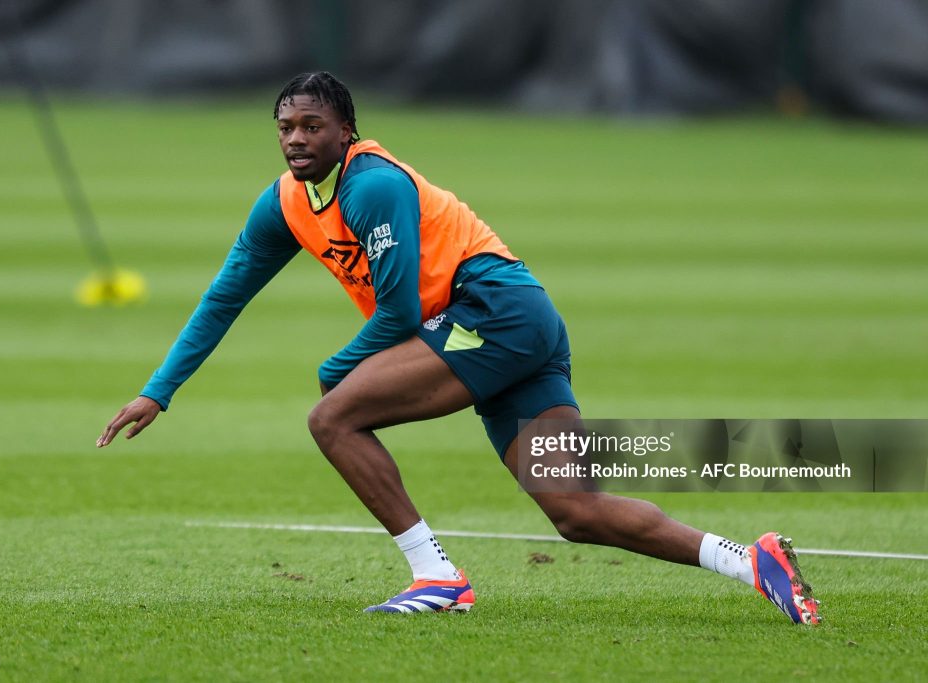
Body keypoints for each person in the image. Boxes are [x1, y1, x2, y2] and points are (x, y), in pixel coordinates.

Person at [96, 72, 820, 623]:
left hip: (493, 313)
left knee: (332, 416)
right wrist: (159, 389)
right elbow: (224, 296)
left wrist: (335, 369)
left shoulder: (372, 186)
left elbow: (400, 312)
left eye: (313, 126)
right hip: (505, 326)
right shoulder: (283, 203)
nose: (296, 139)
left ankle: (436, 576)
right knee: (576, 510)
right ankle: (750, 562)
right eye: (286, 127)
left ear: (347, 131)